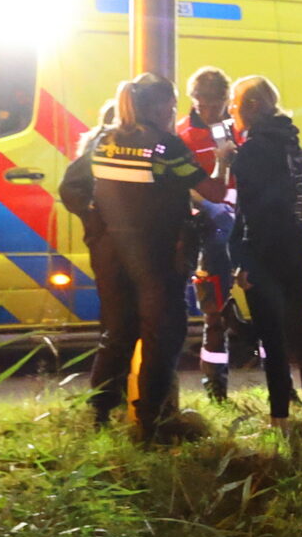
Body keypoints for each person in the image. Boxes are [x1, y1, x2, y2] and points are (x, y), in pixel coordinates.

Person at [58, 72, 205, 438]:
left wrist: (96, 224)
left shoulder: (104, 140)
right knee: (162, 334)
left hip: (110, 254)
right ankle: (152, 421)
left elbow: (71, 187)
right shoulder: (166, 146)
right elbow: (205, 183)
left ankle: (100, 414)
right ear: (155, 106)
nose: (172, 113)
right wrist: (221, 159)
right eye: (170, 107)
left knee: (118, 332)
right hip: (155, 255)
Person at [227, 75, 302, 438]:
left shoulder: (252, 151)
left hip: (264, 252)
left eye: (235, 105)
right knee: (300, 333)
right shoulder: (293, 146)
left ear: (252, 107)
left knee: (272, 339)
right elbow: (301, 201)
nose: (232, 111)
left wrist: (244, 260)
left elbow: (248, 212)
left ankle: (279, 421)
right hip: (296, 247)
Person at [179, 67, 243, 403]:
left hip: (243, 226)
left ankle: (283, 385)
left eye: (214, 103)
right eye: (201, 102)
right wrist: (210, 207)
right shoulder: (183, 135)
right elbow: (184, 186)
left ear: (226, 100)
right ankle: (216, 388)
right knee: (213, 311)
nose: (207, 109)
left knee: (265, 306)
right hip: (209, 229)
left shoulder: (239, 130)